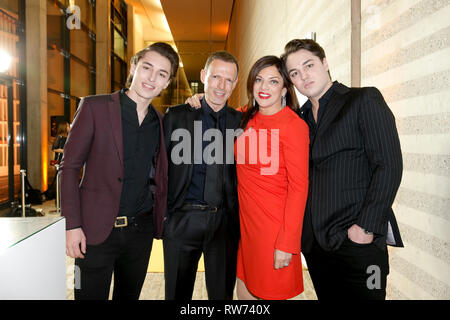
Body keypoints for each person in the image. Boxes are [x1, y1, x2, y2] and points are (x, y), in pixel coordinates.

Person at [281, 39, 404, 300]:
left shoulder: (362, 100)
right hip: (316, 248)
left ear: (325, 64)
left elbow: (389, 165)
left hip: (361, 246)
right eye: (294, 73)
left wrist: (365, 229)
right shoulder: (298, 120)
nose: (303, 75)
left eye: (309, 65)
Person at [60, 42, 179, 300]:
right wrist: (72, 225)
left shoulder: (161, 122)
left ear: (167, 83)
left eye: (162, 74)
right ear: (134, 67)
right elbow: (68, 168)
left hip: (140, 232)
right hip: (95, 231)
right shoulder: (94, 107)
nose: (152, 78)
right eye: (147, 68)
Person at [163, 51, 241, 300]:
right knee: (177, 294)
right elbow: (159, 169)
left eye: (229, 80)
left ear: (236, 83)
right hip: (183, 219)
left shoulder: (244, 123)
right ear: (203, 76)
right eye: (216, 77)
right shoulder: (176, 117)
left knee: (222, 296)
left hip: (225, 224)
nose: (221, 86)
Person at [234, 55, 309, 300]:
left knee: (271, 292)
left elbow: (299, 189)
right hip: (247, 230)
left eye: (273, 82)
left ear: (285, 88)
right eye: (259, 80)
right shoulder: (246, 117)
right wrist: (200, 98)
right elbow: (218, 109)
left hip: (273, 231)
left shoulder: (293, 126)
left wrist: (287, 244)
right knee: (244, 294)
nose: (264, 87)